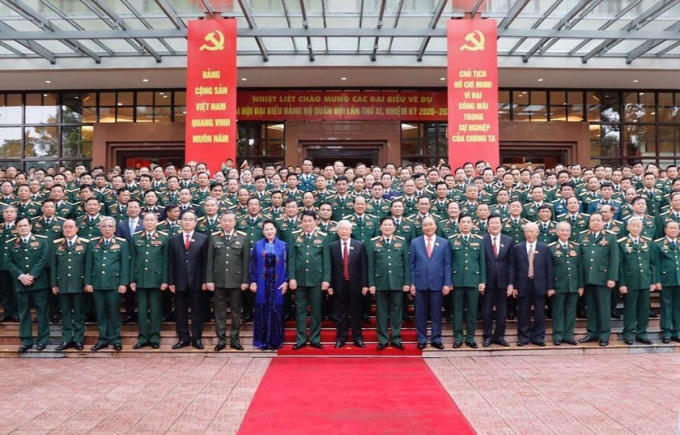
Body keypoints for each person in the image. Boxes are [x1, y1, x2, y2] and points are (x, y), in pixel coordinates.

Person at [206, 211, 250, 351]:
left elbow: (245, 261)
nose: (227, 223)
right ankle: (221, 340)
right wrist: (209, 280)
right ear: (220, 222)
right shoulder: (214, 237)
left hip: (236, 280)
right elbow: (209, 261)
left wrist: (245, 281)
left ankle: (235, 339)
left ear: (235, 222)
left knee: (236, 311)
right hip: (218, 280)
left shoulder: (243, 238)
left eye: (230, 220)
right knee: (220, 312)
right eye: (224, 220)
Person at [84, 216, 130, 352]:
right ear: (100, 228)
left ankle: (116, 339)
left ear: (115, 229)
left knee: (114, 313)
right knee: (100, 313)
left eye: (110, 226)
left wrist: (123, 283)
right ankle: (103, 339)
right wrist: (87, 282)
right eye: (104, 226)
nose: (107, 229)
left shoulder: (122, 243)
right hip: (97, 284)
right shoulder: (93, 243)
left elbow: (125, 265)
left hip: (114, 284)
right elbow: (89, 264)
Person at [4, 217, 50, 353]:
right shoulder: (11, 243)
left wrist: (32, 275)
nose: (23, 228)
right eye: (20, 226)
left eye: (25, 225)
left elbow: (44, 259)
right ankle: (26, 341)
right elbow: (8, 262)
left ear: (30, 226)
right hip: (21, 283)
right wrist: (21, 276)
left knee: (42, 312)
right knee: (23, 313)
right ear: (16, 228)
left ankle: (42, 340)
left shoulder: (42, 241)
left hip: (39, 283)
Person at [288, 210, 331, 350]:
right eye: (305, 221)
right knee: (300, 311)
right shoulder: (294, 237)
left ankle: (315, 339)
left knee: (316, 311)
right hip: (299, 280)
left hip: (316, 280)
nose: (307, 224)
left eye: (310, 221)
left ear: (315, 222)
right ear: (301, 223)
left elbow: (326, 260)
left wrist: (326, 279)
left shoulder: (323, 237)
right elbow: (291, 259)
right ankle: (300, 339)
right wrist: (292, 277)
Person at [367, 217, 410, 350]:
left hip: (397, 282)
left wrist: (407, 282)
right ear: (380, 227)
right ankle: (383, 339)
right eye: (384, 225)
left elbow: (406, 264)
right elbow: (370, 265)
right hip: (380, 282)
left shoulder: (401, 242)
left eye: (390, 225)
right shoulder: (373, 243)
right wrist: (371, 284)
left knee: (397, 312)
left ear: (394, 227)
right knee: (382, 313)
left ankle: (396, 338)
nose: (387, 227)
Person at [168, 211, 208, 350]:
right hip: (179, 281)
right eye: (185, 219)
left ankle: (197, 338)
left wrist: (205, 280)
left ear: (195, 222)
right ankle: (183, 338)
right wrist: (171, 281)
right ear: (181, 222)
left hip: (197, 281)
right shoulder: (174, 239)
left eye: (191, 219)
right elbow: (170, 262)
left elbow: (206, 262)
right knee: (180, 312)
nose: (187, 222)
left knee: (197, 311)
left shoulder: (203, 238)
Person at [409, 216, 451, 350]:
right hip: (419, 283)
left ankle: (436, 339)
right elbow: (411, 264)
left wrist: (447, 283)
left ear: (435, 226)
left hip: (437, 283)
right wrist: (412, 283)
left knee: (436, 313)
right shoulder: (415, 242)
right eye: (425, 225)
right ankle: (422, 338)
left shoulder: (444, 242)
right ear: (422, 228)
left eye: (430, 224)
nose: (428, 227)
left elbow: (447, 264)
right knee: (420, 314)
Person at [509, 222, 553, 346]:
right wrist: (514, 286)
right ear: (524, 233)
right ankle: (523, 337)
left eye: (532, 231)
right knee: (523, 313)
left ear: (537, 233)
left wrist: (550, 287)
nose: (529, 234)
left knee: (539, 313)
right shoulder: (518, 248)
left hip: (540, 284)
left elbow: (549, 268)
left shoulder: (544, 248)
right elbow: (514, 268)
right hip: (523, 284)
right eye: (527, 231)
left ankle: (538, 338)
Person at [129, 212, 169, 350]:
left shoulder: (164, 237)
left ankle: (154, 337)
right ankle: (142, 338)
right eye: (146, 220)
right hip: (140, 279)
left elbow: (166, 261)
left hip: (156, 279)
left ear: (156, 222)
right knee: (141, 311)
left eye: (152, 220)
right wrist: (132, 280)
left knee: (155, 310)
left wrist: (165, 280)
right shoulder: (136, 237)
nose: (149, 222)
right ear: (143, 222)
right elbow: (132, 259)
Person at [578, 213, 619, 346]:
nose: (595, 223)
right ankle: (592, 333)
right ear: (589, 222)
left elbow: (614, 259)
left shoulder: (610, 237)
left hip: (603, 278)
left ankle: (604, 335)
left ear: (603, 222)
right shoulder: (582, 236)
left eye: (598, 220)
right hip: (588, 277)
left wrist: (612, 277)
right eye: (592, 220)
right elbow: (579, 259)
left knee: (603, 308)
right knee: (590, 308)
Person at [329, 220, 368, 348]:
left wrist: (365, 284)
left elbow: (364, 266)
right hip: (338, 284)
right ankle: (341, 337)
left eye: (347, 229)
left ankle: (358, 337)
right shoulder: (332, 246)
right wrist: (330, 285)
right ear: (337, 231)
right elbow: (330, 267)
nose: (344, 231)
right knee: (340, 312)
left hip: (356, 284)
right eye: (341, 229)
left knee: (356, 312)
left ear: (351, 231)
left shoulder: (359, 245)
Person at [50, 219, 88, 351]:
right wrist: (54, 283)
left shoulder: (85, 244)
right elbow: (54, 266)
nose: (68, 229)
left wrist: (87, 283)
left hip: (79, 284)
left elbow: (88, 265)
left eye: (71, 227)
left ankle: (78, 339)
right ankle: (66, 339)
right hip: (63, 284)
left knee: (79, 314)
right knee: (65, 313)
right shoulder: (56, 244)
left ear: (77, 229)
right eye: (65, 227)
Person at [249, 220, 288, 350]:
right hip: (262, 282)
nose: (269, 231)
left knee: (276, 310)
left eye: (271, 229)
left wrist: (286, 281)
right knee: (262, 310)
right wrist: (253, 281)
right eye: (266, 229)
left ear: (275, 230)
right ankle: (262, 341)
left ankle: (276, 341)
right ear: (263, 231)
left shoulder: (283, 245)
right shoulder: (257, 245)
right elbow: (253, 264)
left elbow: (287, 264)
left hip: (277, 282)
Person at [449, 213, 486, 348]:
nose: (465, 224)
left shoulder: (479, 240)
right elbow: (449, 262)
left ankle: (470, 337)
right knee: (457, 311)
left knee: (472, 311)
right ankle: (458, 337)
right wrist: (449, 281)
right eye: (463, 222)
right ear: (459, 224)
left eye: (468, 222)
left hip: (473, 280)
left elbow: (482, 262)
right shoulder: (452, 240)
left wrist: (482, 281)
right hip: (457, 280)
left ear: (472, 224)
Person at [618, 216, 654, 345]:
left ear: (641, 228)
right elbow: (619, 265)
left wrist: (652, 281)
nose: (635, 228)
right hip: (630, 282)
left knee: (644, 310)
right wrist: (622, 283)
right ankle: (628, 333)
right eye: (633, 226)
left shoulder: (647, 242)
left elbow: (652, 263)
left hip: (645, 281)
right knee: (630, 309)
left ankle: (641, 333)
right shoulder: (621, 243)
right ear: (628, 227)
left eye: (638, 226)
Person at [548, 221, 583, 345]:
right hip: (558, 286)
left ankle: (568, 335)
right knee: (558, 311)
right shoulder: (551, 248)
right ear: (557, 232)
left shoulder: (576, 247)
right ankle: (557, 335)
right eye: (562, 230)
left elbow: (579, 268)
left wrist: (580, 286)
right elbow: (548, 269)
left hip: (573, 285)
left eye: (567, 230)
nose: (565, 233)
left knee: (571, 312)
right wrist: (550, 287)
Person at [482, 214, 513, 347]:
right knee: (487, 309)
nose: (495, 225)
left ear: (501, 225)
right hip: (487, 281)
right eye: (492, 223)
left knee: (502, 310)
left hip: (503, 281)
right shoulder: (482, 239)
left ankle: (500, 335)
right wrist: (481, 281)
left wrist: (511, 283)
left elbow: (512, 263)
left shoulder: (508, 240)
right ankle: (487, 335)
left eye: (497, 223)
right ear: (488, 225)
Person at [653, 220, 680, 344]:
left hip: (678, 280)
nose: (673, 230)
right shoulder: (658, 244)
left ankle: (677, 331)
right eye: (671, 228)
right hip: (666, 280)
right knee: (666, 307)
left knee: (678, 307)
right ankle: (666, 332)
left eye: (676, 228)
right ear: (665, 230)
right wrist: (657, 281)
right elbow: (655, 264)